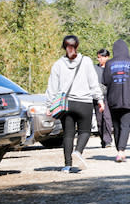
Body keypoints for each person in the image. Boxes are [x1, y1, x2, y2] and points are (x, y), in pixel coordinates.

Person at [45, 35, 105, 173]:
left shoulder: (58, 64)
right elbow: (93, 83)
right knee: (85, 131)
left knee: (68, 134)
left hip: (66, 104)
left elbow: (52, 87)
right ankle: (78, 152)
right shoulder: (87, 61)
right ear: (77, 46)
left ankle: (67, 165)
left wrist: (49, 105)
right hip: (84, 103)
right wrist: (100, 99)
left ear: (64, 47)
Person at [102, 40, 130, 162]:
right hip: (128, 98)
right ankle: (121, 151)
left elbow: (105, 81)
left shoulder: (109, 64)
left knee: (116, 125)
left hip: (113, 99)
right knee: (125, 125)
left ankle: (118, 149)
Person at [93, 48, 114, 148]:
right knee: (99, 119)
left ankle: (108, 139)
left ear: (107, 57)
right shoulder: (94, 68)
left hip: (108, 95)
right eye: (98, 58)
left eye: (101, 58)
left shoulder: (111, 68)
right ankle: (103, 139)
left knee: (107, 118)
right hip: (97, 96)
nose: (99, 60)